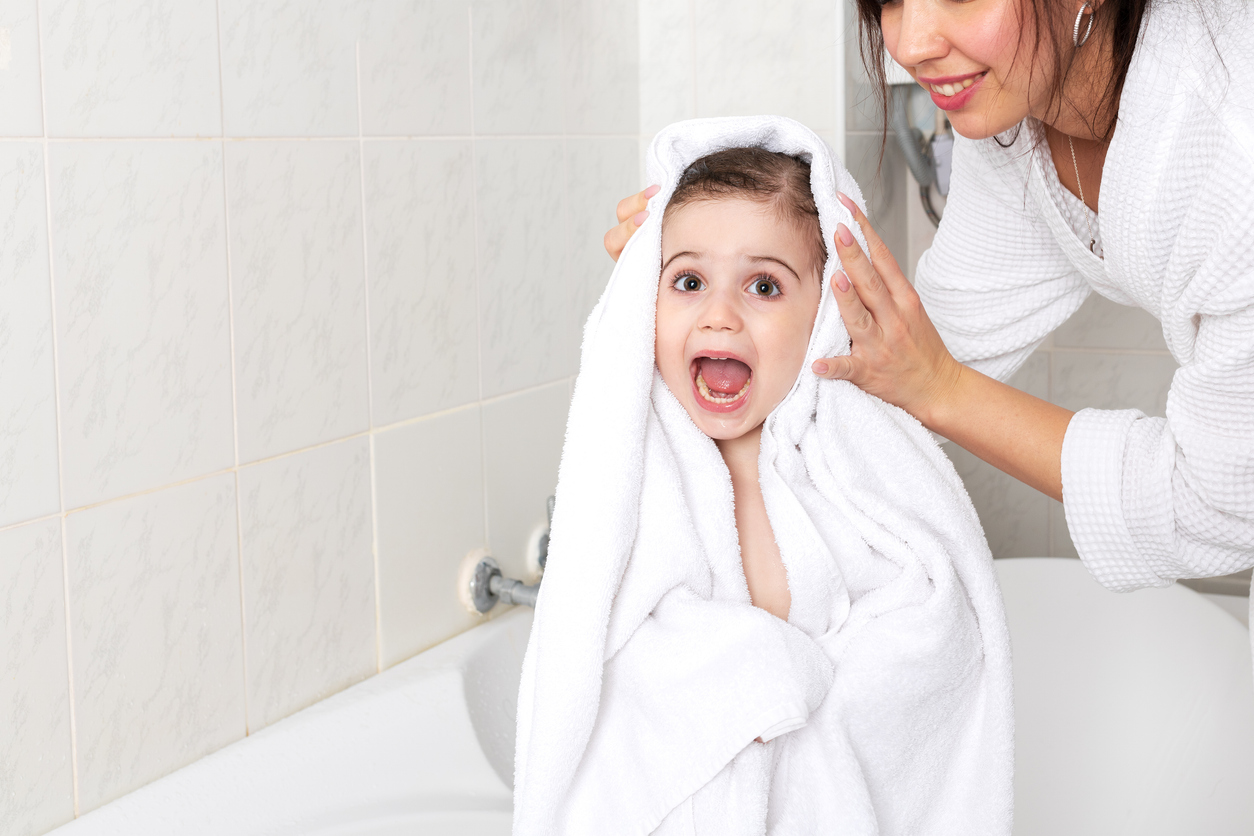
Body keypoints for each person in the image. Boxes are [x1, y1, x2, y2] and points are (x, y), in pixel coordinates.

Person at [606, 0, 1254, 600]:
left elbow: (1220, 501)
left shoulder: (1229, 138)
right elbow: (890, 371)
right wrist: (721, 259)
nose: (911, 44)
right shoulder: (1012, 130)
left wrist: (943, 387)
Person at [655, 147, 825, 623]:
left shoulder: (847, 481)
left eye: (764, 286)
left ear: (823, 317)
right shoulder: (634, 474)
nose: (719, 317)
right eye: (690, 282)